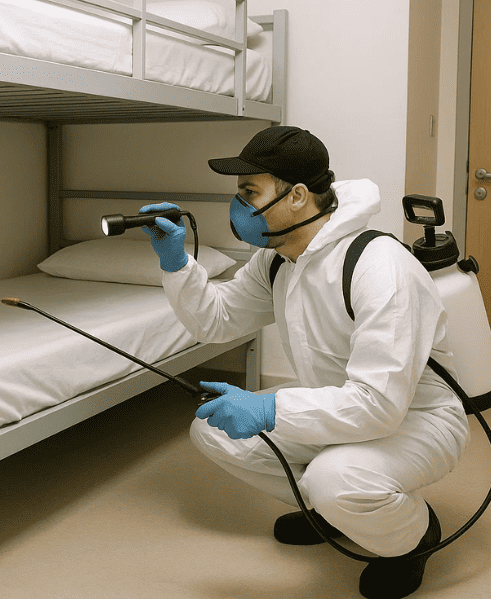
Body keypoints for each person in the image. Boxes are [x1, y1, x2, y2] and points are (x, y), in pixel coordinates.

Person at [139, 126, 470, 599]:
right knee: (211, 428)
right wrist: (175, 264)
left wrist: (271, 411)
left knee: (334, 479)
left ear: (296, 196)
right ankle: (334, 510)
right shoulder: (279, 259)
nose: (239, 208)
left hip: (416, 420)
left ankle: (412, 536)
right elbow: (216, 320)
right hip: (339, 407)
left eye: (250, 192)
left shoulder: (379, 266)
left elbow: (379, 406)